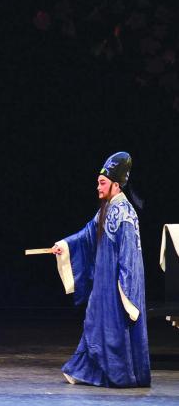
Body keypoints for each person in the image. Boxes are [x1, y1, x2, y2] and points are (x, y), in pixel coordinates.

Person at [51, 152, 150, 387]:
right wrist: (64, 245)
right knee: (94, 323)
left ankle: (119, 374)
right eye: (98, 182)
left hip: (116, 285)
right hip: (103, 284)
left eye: (102, 182)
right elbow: (88, 234)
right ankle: (85, 370)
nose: (98, 187)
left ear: (116, 185)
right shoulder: (107, 209)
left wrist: (126, 289)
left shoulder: (125, 213)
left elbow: (129, 256)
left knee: (112, 328)